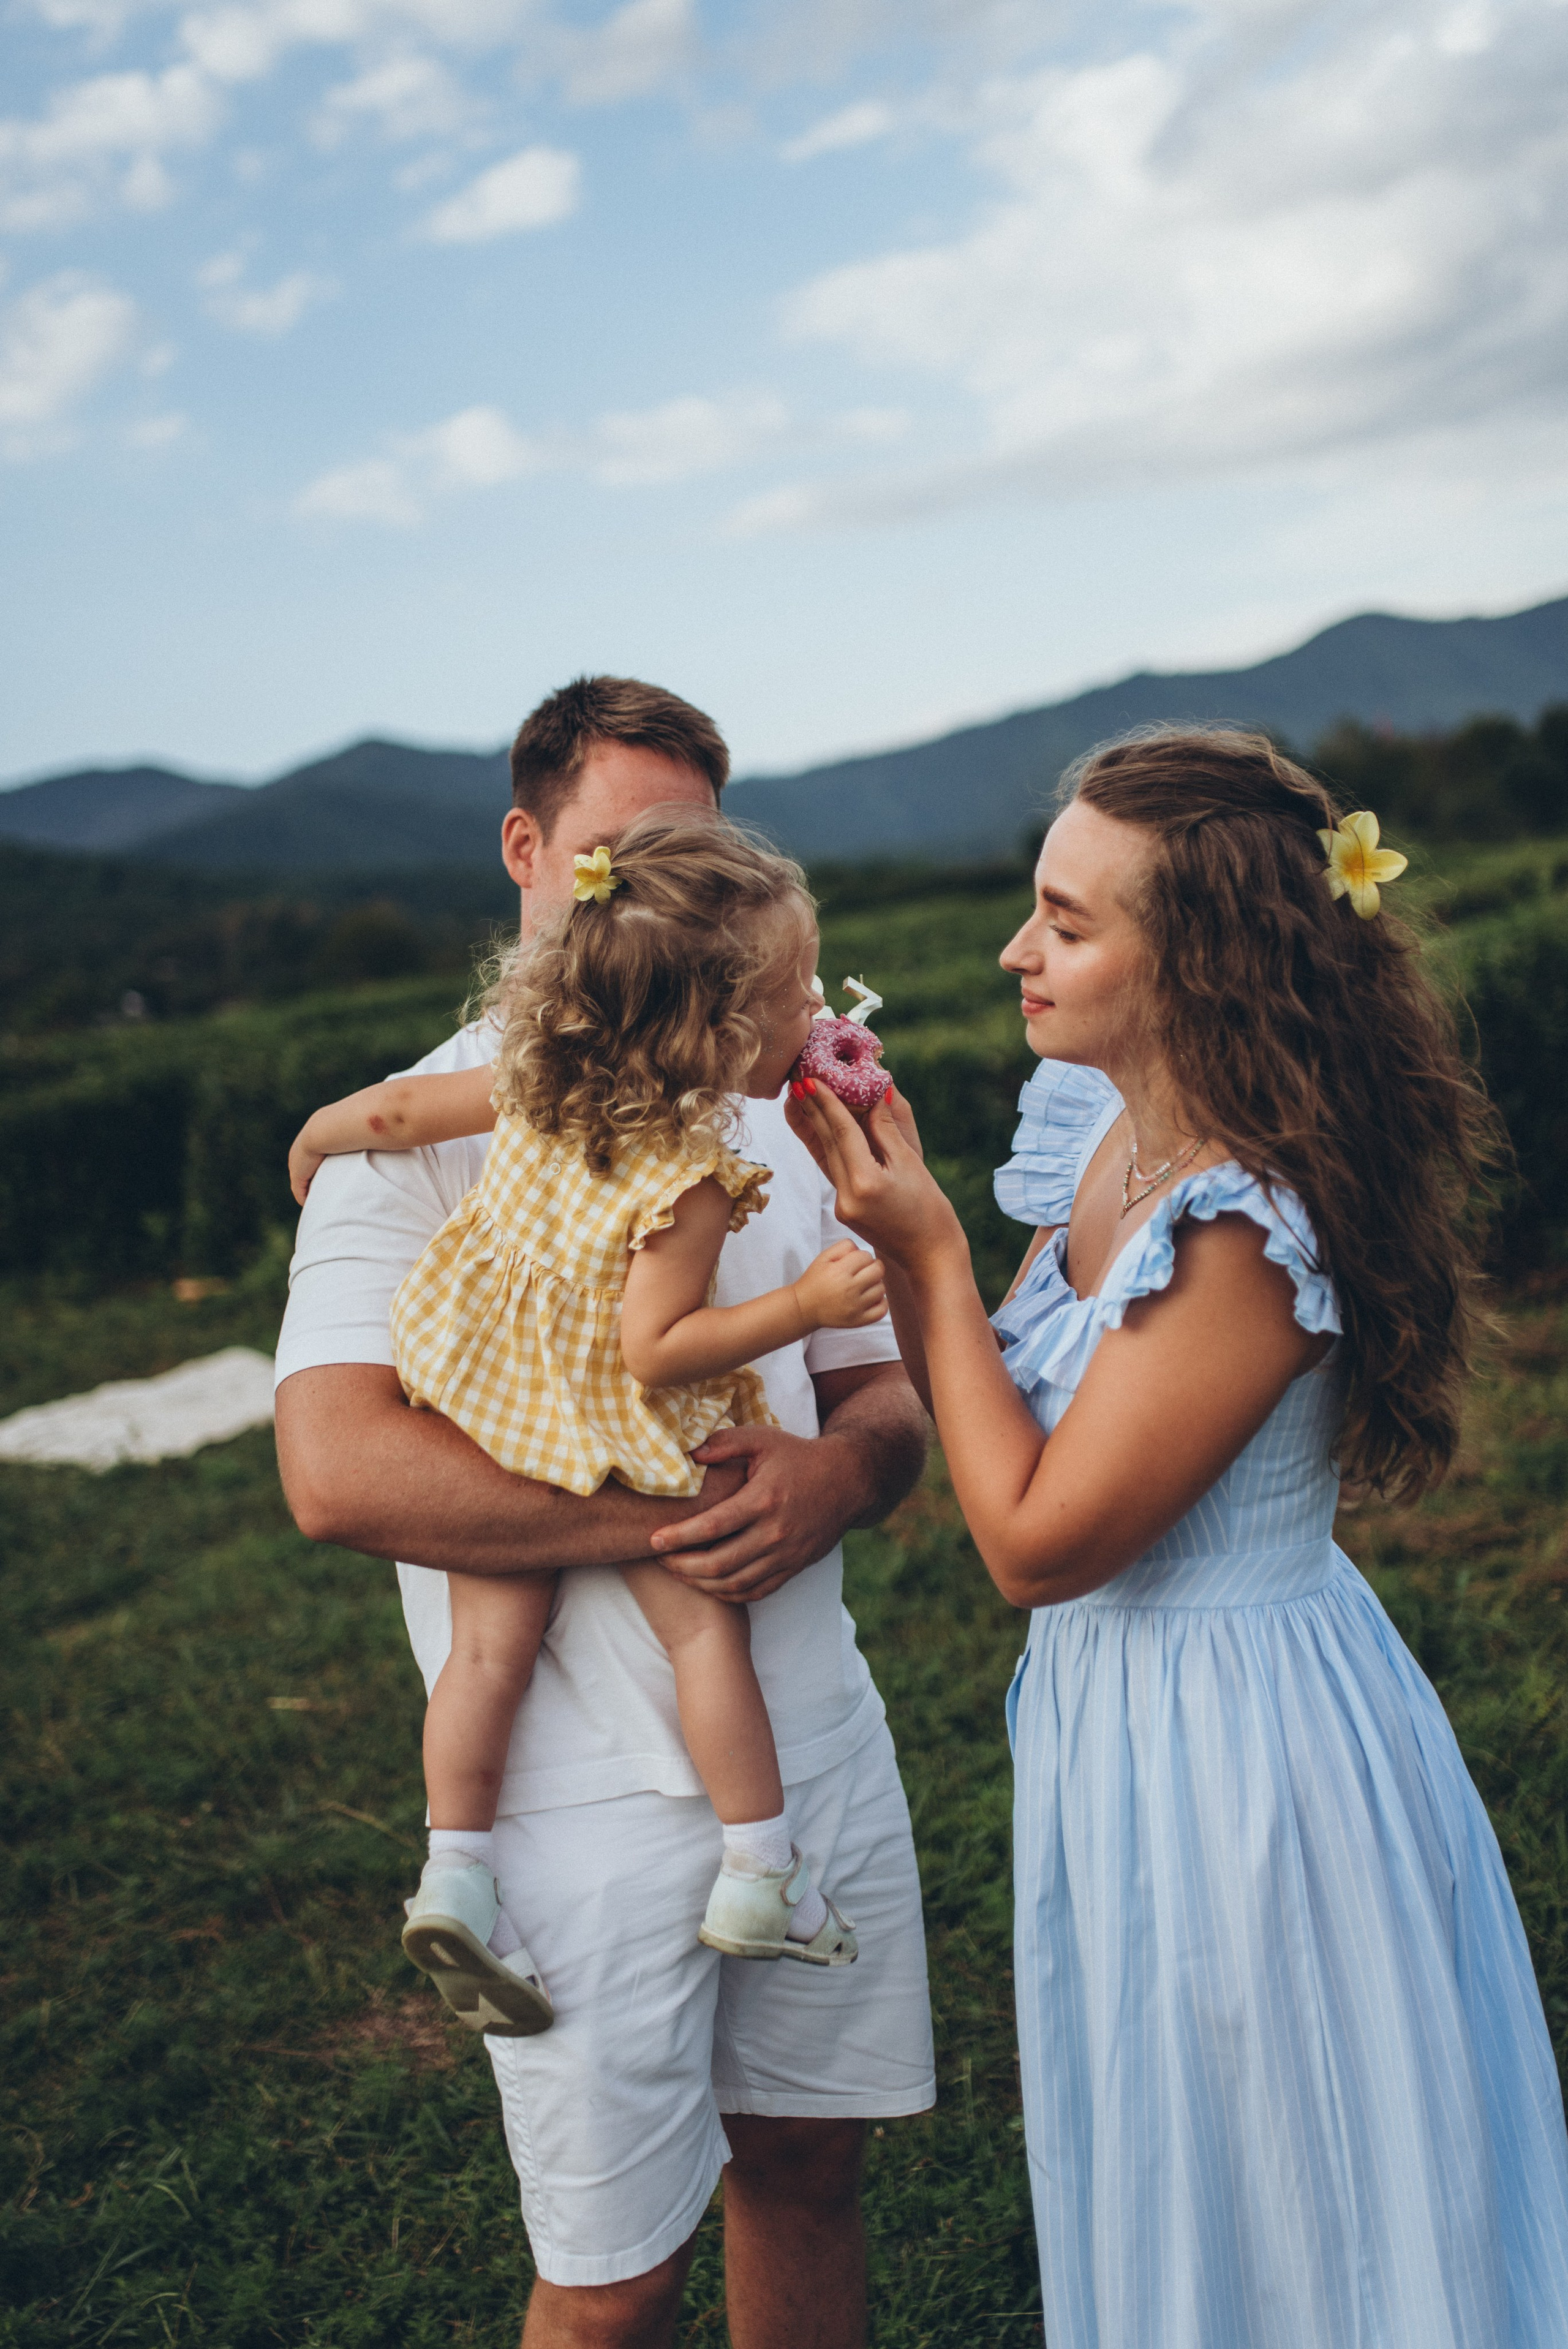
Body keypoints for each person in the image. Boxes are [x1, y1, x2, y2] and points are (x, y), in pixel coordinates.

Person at [788, 727, 1568, 2349]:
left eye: (1070, 925)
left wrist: (928, 1249)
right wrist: (907, 1201)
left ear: (1204, 962)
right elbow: (1006, 1407)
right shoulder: (1095, 1122)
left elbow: (1031, 1539)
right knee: (1168, 2159)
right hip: (1115, 1730)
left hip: (1249, 1756)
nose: (1019, 950)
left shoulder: (1240, 1231)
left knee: (1306, 2185)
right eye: (1033, 907)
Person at [273, 676, 934, 2349]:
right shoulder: (419, 1131)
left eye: (703, 862)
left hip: (812, 1744)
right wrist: (663, 1520)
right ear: (530, 851)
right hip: (572, 1803)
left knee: (805, 2165)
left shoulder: (776, 1107)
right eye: (629, 858)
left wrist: (837, 1473)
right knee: (611, 2284)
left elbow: (887, 1397)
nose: (672, 907)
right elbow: (337, 1470)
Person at [286, 813, 879, 2034]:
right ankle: (762, 1873)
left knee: (483, 1654)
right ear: (717, 1033)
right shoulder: (694, 1175)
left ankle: (455, 1876)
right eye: (792, 991)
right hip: (607, 1420)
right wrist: (802, 1304)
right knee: (705, 1641)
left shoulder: (535, 1078)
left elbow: (394, 1116)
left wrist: (313, 1137)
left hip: (489, 1398)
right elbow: (657, 1348)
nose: (815, 1002)